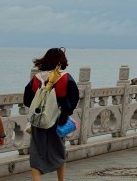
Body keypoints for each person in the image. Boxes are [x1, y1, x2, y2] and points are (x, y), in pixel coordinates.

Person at [23, 48, 80, 181]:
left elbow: (27, 100)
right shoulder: (65, 77)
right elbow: (74, 97)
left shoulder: (37, 78)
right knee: (59, 150)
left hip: (38, 120)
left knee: (36, 152)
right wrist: (65, 112)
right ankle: (61, 180)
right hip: (57, 121)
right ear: (62, 61)